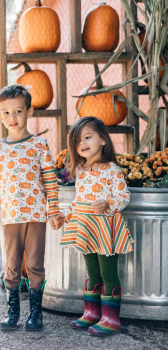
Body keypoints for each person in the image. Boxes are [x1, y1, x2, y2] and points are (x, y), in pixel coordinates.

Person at [0, 84, 61, 332]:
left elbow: (50, 180)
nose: (12, 118)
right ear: (0, 115)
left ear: (30, 111)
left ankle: (36, 313)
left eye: (18, 111)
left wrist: (54, 210)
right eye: (6, 113)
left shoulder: (39, 145)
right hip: (9, 217)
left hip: (36, 215)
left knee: (35, 263)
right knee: (12, 264)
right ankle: (13, 310)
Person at [53, 116, 133, 336]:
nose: (83, 144)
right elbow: (79, 201)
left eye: (88, 137)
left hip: (105, 229)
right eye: (78, 141)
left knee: (108, 274)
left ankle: (111, 318)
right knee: (92, 273)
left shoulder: (111, 170)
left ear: (103, 140)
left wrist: (109, 203)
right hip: (86, 229)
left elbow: (124, 196)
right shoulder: (82, 170)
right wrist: (64, 215)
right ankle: (91, 313)